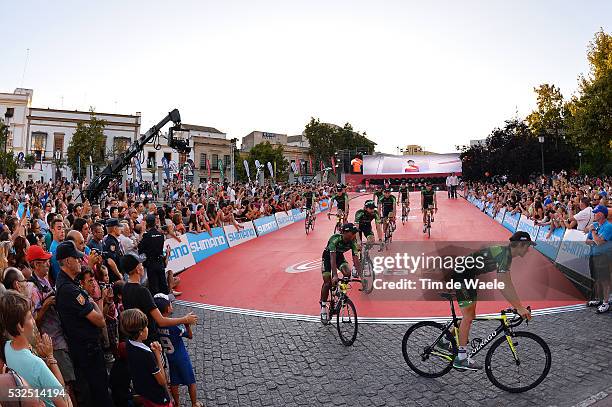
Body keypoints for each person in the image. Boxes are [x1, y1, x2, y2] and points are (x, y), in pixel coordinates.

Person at [446, 232, 534, 370]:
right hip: (461, 276)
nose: (528, 250)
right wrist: (519, 307)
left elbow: (507, 282)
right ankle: (461, 358)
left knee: (469, 316)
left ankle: (445, 340)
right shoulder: (504, 255)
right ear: (520, 245)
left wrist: (519, 306)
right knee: (468, 317)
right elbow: (503, 284)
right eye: (527, 246)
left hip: (467, 276)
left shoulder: (506, 254)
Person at [54, 240, 113, 407]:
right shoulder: (69, 289)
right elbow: (100, 320)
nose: (80, 261)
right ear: (66, 261)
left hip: (85, 348)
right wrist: (96, 299)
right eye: (77, 258)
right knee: (99, 392)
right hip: (87, 351)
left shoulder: (69, 282)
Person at [0, 291, 69, 407]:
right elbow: (63, 403)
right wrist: (51, 357)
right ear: (20, 327)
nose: (34, 320)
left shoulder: (7, 348)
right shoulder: (37, 364)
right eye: (30, 317)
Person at [27, 245, 77, 405]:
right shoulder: (32, 288)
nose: (48, 264)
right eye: (44, 261)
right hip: (53, 343)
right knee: (66, 385)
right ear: (35, 264)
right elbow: (33, 322)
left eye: (48, 261)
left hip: (59, 337)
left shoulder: (45, 281)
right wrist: (46, 305)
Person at [121, 253, 198, 345]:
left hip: (134, 339)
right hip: (149, 340)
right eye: (141, 264)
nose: (142, 267)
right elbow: (161, 321)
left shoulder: (125, 288)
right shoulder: (142, 291)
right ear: (137, 269)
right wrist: (185, 319)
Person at [154, 294, 203, 407]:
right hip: (181, 357)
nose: (172, 304)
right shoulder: (174, 326)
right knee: (191, 380)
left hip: (170, 357)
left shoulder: (157, 325)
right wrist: (187, 325)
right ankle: (194, 403)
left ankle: (177, 404)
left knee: (174, 382)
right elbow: (189, 336)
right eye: (170, 303)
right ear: (168, 308)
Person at [121, 308, 173, 407]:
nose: (147, 328)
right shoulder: (147, 354)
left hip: (143, 392)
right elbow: (162, 381)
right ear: (141, 332)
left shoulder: (128, 343)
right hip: (157, 397)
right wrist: (157, 354)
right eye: (146, 327)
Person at [319, 223, 362, 322]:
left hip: (339, 258)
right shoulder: (335, 239)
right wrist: (334, 275)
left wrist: (362, 277)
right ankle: (323, 307)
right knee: (327, 283)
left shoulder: (352, 241)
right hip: (328, 258)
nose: (355, 235)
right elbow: (332, 260)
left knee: (347, 272)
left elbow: (356, 260)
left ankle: (339, 291)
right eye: (353, 233)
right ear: (345, 233)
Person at [585, 205, 612, 313]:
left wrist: (593, 233)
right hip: (593, 255)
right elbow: (587, 241)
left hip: (604, 257)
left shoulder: (608, 226)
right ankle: (599, 299)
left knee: (605, 280)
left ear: (601, 214)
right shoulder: (595, 225)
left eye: (596, 213)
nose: (594, 215)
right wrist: (596, 239)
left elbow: (599, 242)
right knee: (596, 279)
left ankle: (606, 302)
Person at [138, 214, 168, 296]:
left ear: (147, 223)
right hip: (160, 261)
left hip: (150, 263)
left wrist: (142, 263)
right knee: (163, 283)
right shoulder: (161, 235)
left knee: (154, 286)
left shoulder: (146, 236)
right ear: (155, 223)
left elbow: (141, 250)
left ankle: (156, 304)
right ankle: (166, 302)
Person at [102, 218, 124, 283]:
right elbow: (110, 261)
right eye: (119, 227)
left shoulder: (110, 240)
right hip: (114, 277)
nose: (120, 229)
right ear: (114, 228)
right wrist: (118, 274)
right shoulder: (111, 242)